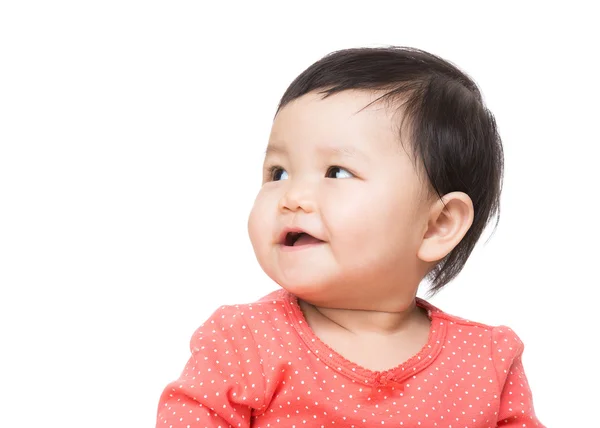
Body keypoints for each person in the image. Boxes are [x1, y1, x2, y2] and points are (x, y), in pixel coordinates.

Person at [156, 46, 544, 427]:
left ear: (437, 225)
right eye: (278, 173)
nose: (293, 197)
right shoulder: (243, 342)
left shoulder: (487, 361)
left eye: (337, 172)